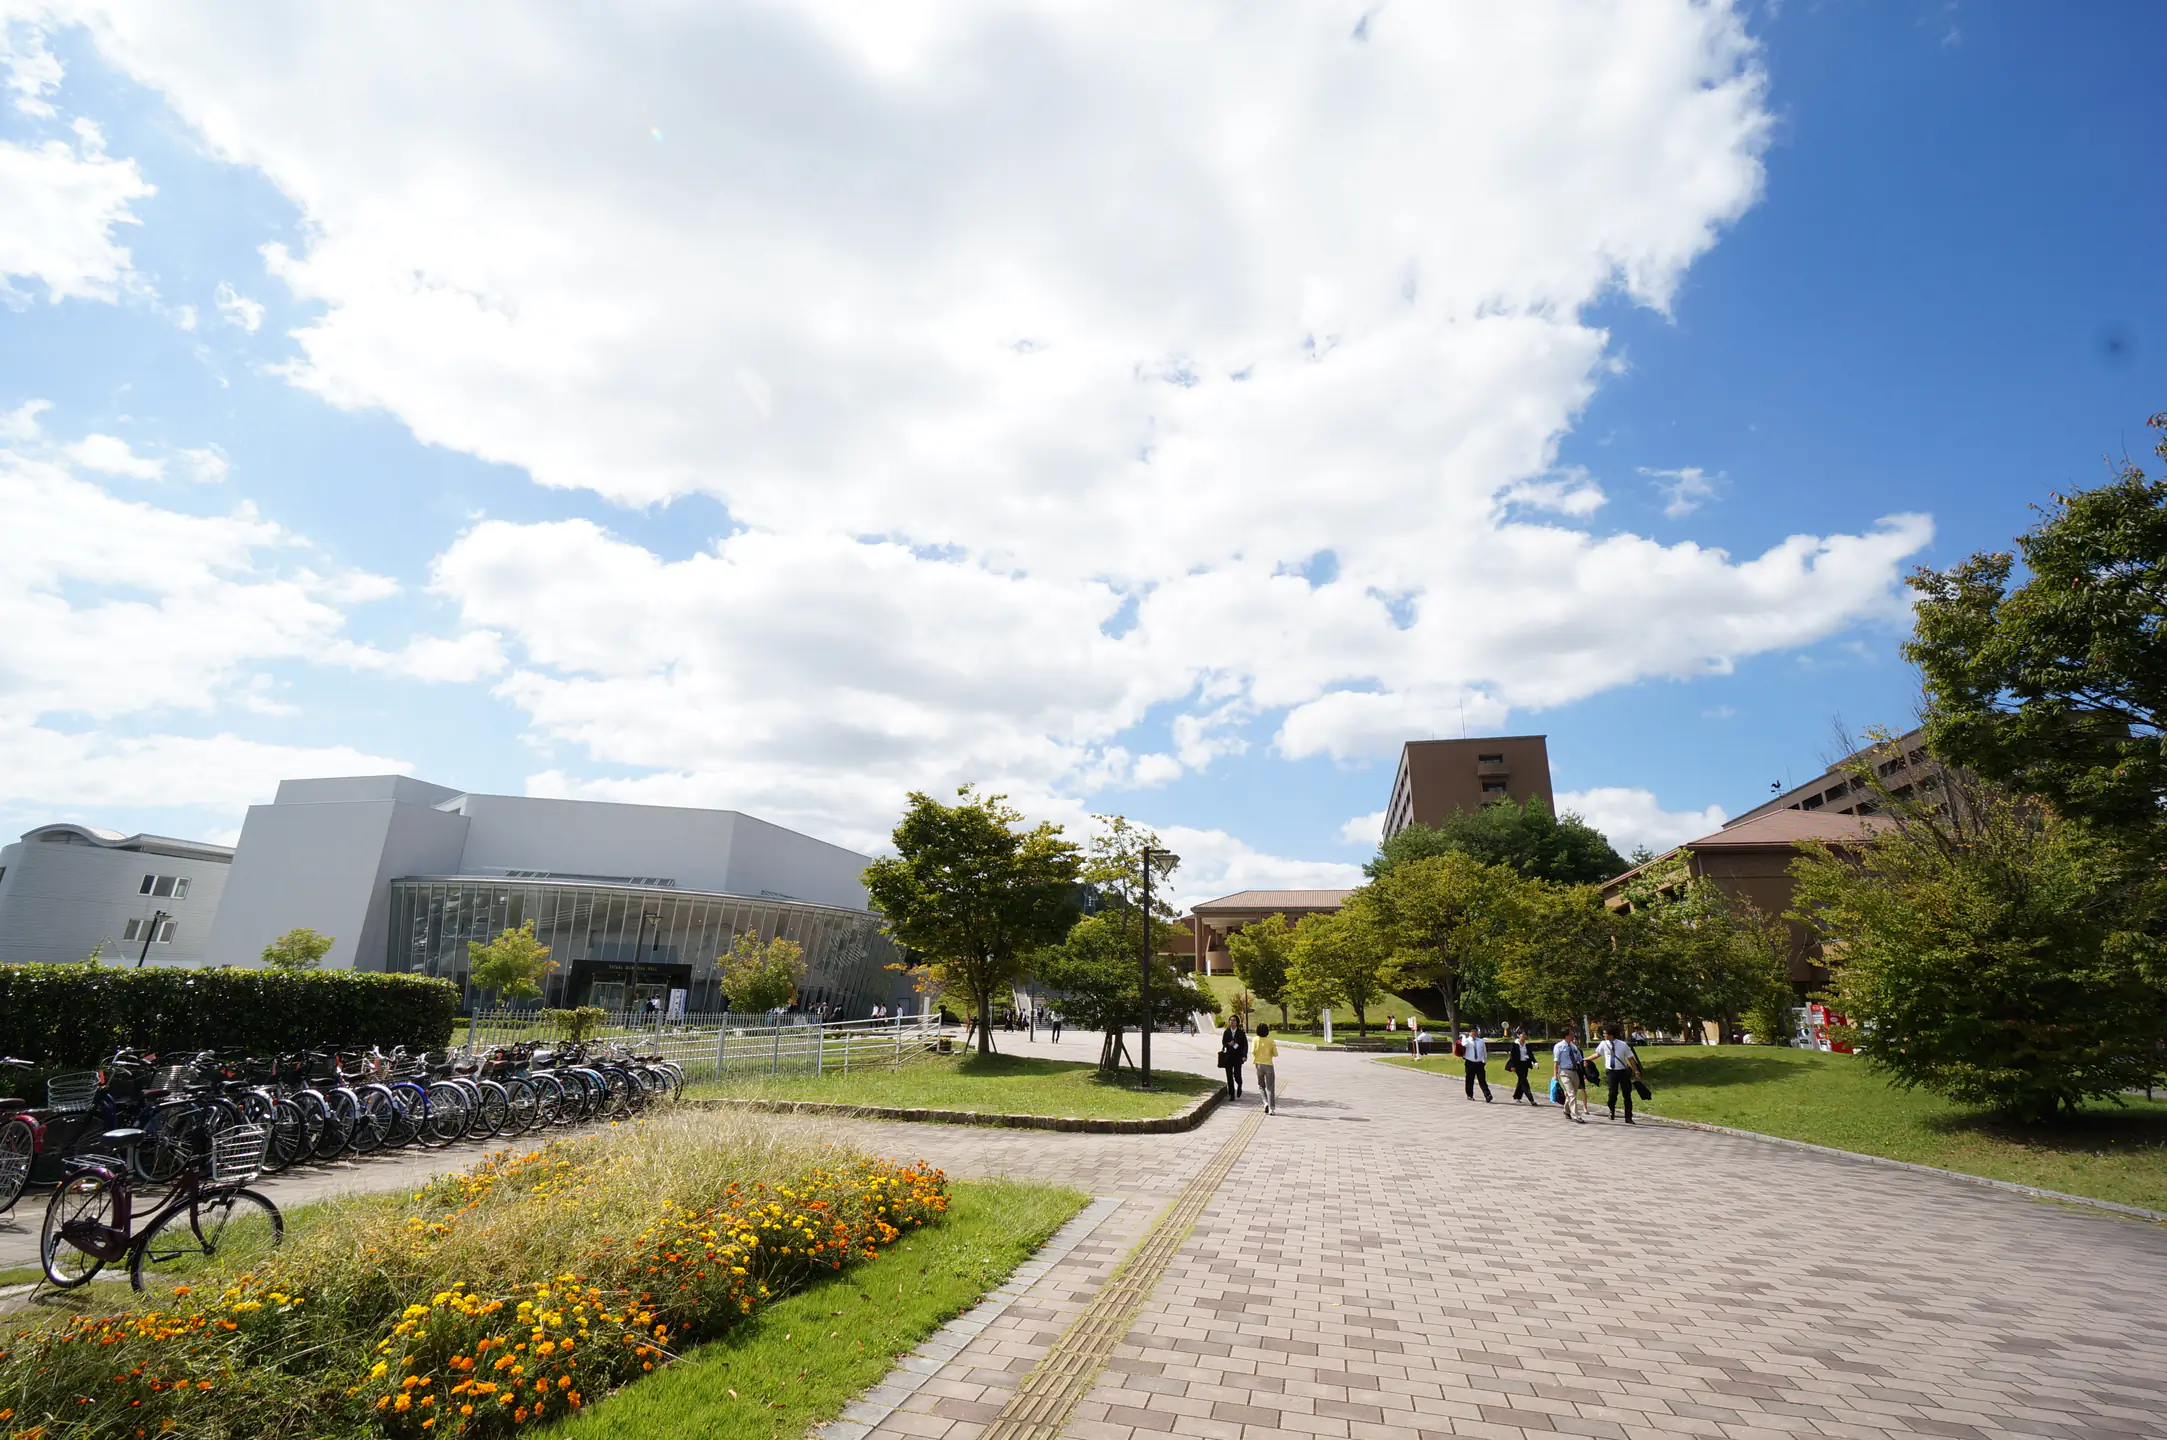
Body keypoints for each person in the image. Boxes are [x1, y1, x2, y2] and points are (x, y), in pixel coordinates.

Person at [1595, 1025, 1641, 1124]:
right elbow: (1597, 1054)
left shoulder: (1622, 1044)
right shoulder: (1603, 1044)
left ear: (1611, 1034)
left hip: (1622, 1072)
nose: (1604, 1035)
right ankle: (1611, 1110)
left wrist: (1636, 1071)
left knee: (1627, 1094)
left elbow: (1631, 1059)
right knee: (1612, 1093)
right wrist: (1585, 1059)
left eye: (1605, 1034)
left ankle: (1628, 1116)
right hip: (1611, 1072)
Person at [1552, 1027, 1589, 1123]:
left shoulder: (1573, 1047)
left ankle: (1566, 1110)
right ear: (1566, 1035)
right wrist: (1555, 1075)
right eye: (1571, 1034)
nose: (1573, 1036)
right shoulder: (1559, 1046)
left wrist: (1584, 1062)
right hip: (1564, 1072)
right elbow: (1556, 1061)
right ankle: (1577, 1115)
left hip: (1574, 1072)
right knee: (1571, 1093)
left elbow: (1580, 1059)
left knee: (1572, 1093)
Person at [1252, 1023, 1280, 1114]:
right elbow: (1275, 1054)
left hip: (1259, 1065)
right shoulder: (1271, 1041)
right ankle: (1271, 1108)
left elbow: (1253, 1051)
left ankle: (1265, 1103)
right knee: (1270, 1087)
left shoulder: (1255, 1039)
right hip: (1268, 1065)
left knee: (1261, 1085)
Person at [1504, 1029, 1537, 1104]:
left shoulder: (1527, 1044)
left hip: (1525, 1064)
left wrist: (1535, 1062)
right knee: (1524, 1082)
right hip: (1517, 1065)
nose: (1524, 1036)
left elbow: (1531, 1055)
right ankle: (1531, 1099)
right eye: (1523, 1034)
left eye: (1525, 1034)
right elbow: (1512, 1056)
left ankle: (1517, 1096)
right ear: (1519, 1035)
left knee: (1521, 1081)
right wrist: (1512, 1066)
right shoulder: (1515, 1044)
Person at [1218, 1017, 1249, 1099]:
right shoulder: (1227, 1032)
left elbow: (1244, 1045)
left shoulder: (1241, 1033)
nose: (1232, 1022)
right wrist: (1228, 1044)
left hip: (1238, 1057)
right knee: (1229, 1076)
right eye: (1231, 1020)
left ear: (1237, 1022)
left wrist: (1244, 1055)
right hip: (1228, 1057)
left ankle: (1239, 1085)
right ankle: (1231, 1094)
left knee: (1237, 1075)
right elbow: (1223, 1043)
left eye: (1234, 1020)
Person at [1460, 1026, 1493, 1102]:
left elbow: (1484, 1051)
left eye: (1476, 1031)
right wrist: (1464, 1036)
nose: (1474, 1033)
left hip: (1479, 1063)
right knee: (1469, 1080)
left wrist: (1484, 1059)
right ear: (1469, 1032)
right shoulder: (1467, 1041)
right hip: (1470, 1062)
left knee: (1482, 1080)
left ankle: (1487, 1095)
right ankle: (1470, 1095)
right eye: (1472, 1031)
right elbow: (1464, 1044)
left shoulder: (1480, 1041)